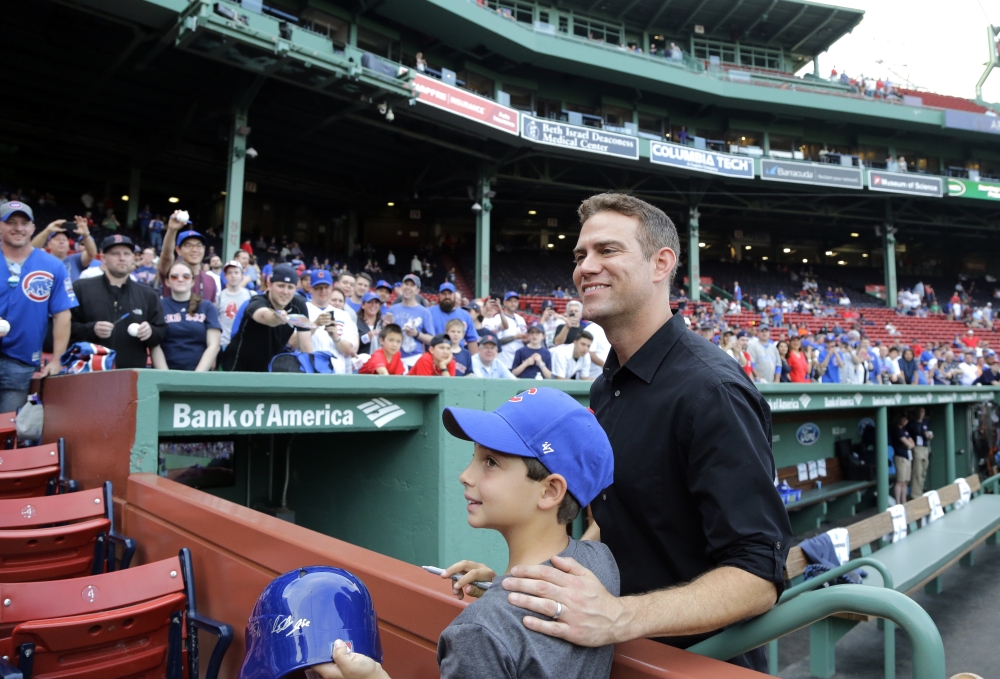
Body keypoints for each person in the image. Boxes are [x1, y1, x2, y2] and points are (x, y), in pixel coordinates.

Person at [499, 193, 790, 672]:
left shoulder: (712, 389)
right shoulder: (605, 384)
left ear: (661, 264)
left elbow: (759, 575)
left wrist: (619, 616)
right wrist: (524, 585)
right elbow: (612, 525)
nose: (585, 267)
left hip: (699, 665)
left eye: (607, 251)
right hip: (617, 656)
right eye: (579, 255)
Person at [315, 388, 617, 679]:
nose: (465, 475)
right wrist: (501, 585)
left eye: (491, 462)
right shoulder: (599, 563)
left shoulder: (479, 631)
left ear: (550, 491)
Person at [0, 201, 76, 410]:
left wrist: (57, 360)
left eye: (24, 223)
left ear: (33, 228)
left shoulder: (52, 265)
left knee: (9, 430)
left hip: (22, 361)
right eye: (10, 222)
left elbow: (62, 314)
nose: (18, 228)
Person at [71, 234, 166, 369]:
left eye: (127, 254)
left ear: (133, 258)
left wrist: (150, 332)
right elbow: (66, 328)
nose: (122, 258)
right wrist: (91, 329)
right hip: (89, 373)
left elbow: (161, 332)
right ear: (103, 257)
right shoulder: (81, 288)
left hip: (131, 376)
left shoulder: (148, 294)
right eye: (115, 253)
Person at [220, 264, 314, 372]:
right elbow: (264, 315)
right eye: (281, 286)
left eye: (290, 287)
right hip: (239, 364)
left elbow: (306, 345)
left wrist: (312, 376)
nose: (285, 292)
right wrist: (276, 317)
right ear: (270, 284)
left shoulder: (299, 306)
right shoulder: (256, 302)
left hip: (269, 365)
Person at [151, 262, 221, 371]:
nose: (180, 279)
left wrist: (196, 376)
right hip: (166, 373)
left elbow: (214, 345)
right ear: (167, 282)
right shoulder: (158, 306)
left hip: (199, 374)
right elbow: (154, 344)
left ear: (193, 281)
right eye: (174, 277)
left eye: (186, 276)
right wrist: (165, 376)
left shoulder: (207, 306)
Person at [157, 214, 218, 304]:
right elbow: (166, 256)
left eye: (198, 245)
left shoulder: (210, 280)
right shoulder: (173, 274)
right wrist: (172, 230)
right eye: (188, 245)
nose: (194, 250)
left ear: (204, 249)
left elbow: (212, 311)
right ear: (178, 250)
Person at [307, 270, 359, 374]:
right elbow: (292, 342)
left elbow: (349, 350)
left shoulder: (343, 315)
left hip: (337, 374)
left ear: (331, 288)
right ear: (311, 288)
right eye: (318, 287)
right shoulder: (303, 309)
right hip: (309, 372)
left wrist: (335, 337)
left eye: (326, 287)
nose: (323, 291)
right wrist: (314, 324)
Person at [387, 274, 435, 369]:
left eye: (412, 285)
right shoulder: (392, 309)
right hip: (393, 357)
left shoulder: (424, 312)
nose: (408, 287)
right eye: (406, 284)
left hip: (414, 359)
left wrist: (416, 334)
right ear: (402, 286)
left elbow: (432, 340)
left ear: (417, 290)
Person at [31, 215, 96, 282]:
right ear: (49, 244)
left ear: (68, 245)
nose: (61, 242)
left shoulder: (75, 260)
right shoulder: (43, 259)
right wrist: (47, 230)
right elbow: (31, 251)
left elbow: (91, 254)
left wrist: (86, 234)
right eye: (57, 239)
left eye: (64, 240)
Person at [429, 283, 478, 354]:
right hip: (433, 356)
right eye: (444, 294)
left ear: (454, 295)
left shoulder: (465, 315)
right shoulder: (428, 313)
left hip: (458, 357)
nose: (447, 296)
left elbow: (472, 340)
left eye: (450, 293)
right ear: (439, 296)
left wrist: (475, 362)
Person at [483, 292, 527, 369]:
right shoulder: (497, 318)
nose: (513, 303)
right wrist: (514, 337)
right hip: (504, 360)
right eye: (510, 301)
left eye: (515, 301)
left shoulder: (521, 319)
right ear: (505, 303)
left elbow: (525, 340)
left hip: (519, 361)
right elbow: (497, 341)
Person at [217, 260, 254, 350]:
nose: (233, 275)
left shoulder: (252, 295)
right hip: (224, 344)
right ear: (225, 276)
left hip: (245, 344)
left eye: (236, 272)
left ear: (242, 275)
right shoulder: (219, 296)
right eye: (229, 273)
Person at [907, 407, 933, 498]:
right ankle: (915, 495)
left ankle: (920, 492)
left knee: (923, 472)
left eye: (922, 411)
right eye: (919, 412)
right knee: (917, 472)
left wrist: (930, 435)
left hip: (925, 448)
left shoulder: (925, 422)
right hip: (917, 448)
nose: (921, 413)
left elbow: (928, 433)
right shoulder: (912, 424)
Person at [891, 413, 916, 505]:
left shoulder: (905, 430)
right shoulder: (897, 430)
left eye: (907, 419)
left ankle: (904, 501)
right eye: (904, 419)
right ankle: (898, 502)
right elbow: (908, 444)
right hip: (900, 457)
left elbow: (912, 444)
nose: (906, 421)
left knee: (905, 481)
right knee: (900, 481)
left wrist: (910, 445)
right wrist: (909, 445)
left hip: (908, 456)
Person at [357, 291, 382, 357]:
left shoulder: (382, 324)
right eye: (370, 302)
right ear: (363, 305)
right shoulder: (356, 322)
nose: (373, 305)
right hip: (361, 362)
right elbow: (351, 343)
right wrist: (366, 337)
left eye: (376, 302)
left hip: (379, 363)